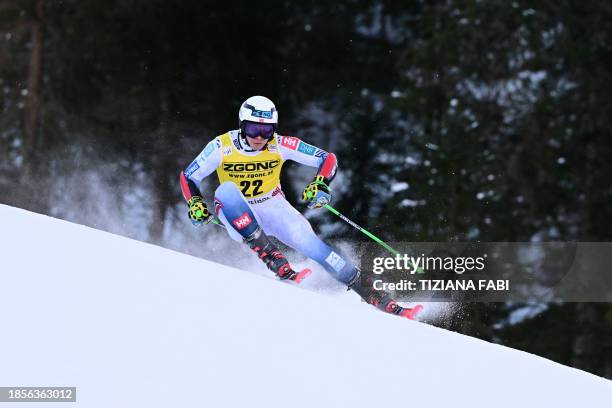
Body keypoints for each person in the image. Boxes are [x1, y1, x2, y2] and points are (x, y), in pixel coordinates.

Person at [179, 95, 419, 319]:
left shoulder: (280, 144)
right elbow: (189, 176)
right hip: (236, 213)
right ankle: (271, 255)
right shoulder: (221, 146)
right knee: (226, 191)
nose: (260, 137)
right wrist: (195, 203)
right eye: (254, 129)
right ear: (242, 125)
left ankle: (369, 291)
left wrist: (321, 183)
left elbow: (327, 158)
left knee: (313, 245)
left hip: (272, 206)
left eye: (267, 130)